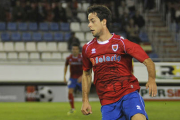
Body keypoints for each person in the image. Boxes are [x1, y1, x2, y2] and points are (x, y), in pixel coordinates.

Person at [81, 5, 157, 120]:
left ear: (103, 22)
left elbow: (148, 61)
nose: (89, 25)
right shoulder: (87, 48)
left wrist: (151, 79)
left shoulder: (122, 43)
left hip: (128, 93)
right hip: (107, 101)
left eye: (92, 21)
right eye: (88, 21)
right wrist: (85, 100)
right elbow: (86, 74)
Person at [64, 43, 83, 115]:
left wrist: (82, 77)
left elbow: (86, 68)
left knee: (84, 93)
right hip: (72, 78)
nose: (74, 50)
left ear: (78, 50)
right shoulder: (69, 58)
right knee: (70, 92)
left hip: (81, 78)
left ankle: (86, 106)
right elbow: (66, 66)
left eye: (76, 49)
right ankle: (72, 108)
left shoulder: (82, 58)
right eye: (73, 49)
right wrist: (64, 76)